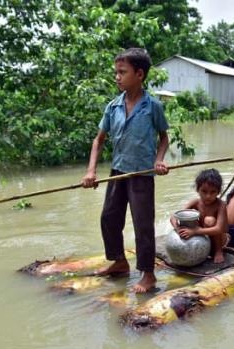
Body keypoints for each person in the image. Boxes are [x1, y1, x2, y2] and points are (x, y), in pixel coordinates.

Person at [81, 48, 169, 293]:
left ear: (139, 74)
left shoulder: (153, 106)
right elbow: (98, 140)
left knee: (142, 224)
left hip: (142, 175)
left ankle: (148, 275)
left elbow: (164, 138)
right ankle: (119, 262)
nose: (117, 77)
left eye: (122, 72)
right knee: (109, 218)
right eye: (116, 72)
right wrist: (91, 172)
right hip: (118, 172)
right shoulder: (113, 107)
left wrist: (159, 160)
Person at [170, 168, 228, 263]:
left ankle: (218, 251)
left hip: (220, 240)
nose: (208, 196)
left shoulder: (221, 205)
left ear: (218, 192)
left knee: (209, 220)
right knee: (188, 220)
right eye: (204, 191)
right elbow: (174, 217)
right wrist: (178, 229)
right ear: (198, 189)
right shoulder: (196, 202)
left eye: (213, 192)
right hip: (202, 237)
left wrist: (195, 231)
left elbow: (219, 229)